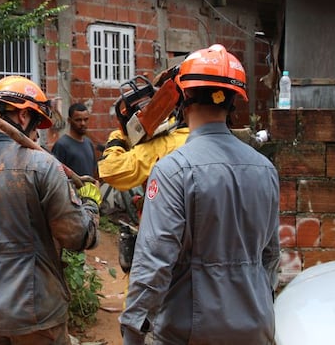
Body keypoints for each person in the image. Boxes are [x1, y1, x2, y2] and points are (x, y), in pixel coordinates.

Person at [119, 44, 280, 345]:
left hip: (190, 332)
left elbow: (154, 261)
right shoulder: (265, 169)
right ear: (233, 102)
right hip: (256, 328)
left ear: (182, 98)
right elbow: (269, 257)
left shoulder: (173, 170)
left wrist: (133, 329)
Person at [0, 75, 101, 345]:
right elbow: (77, 236)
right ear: (24, 117)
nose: (37, 137)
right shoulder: (43, 166)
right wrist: (90, 203)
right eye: (37, 128)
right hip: (35, 316)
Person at [52, 102, 97, 178]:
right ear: (69, 120)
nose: (83, 123)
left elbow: (94, 172)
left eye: (85, 120)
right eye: (78, 120)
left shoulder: (88, 143)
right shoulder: (61, 145)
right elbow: (55, 175)